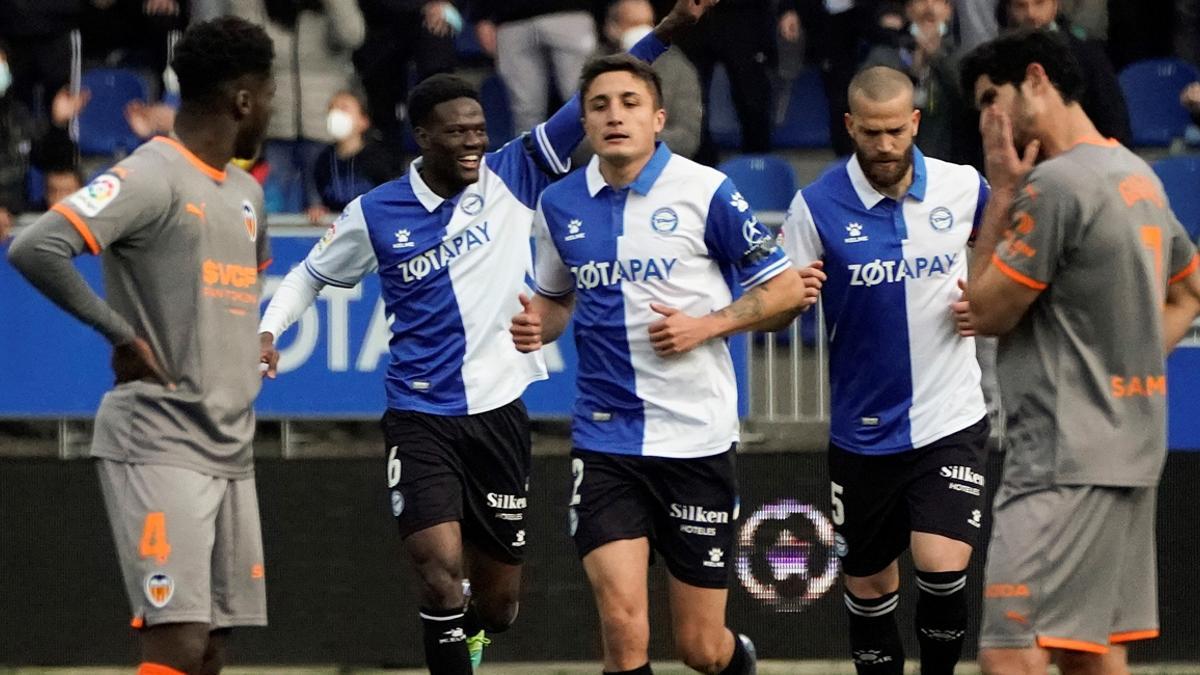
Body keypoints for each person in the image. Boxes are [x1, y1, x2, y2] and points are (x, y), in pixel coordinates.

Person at [257, 4, 716, 674]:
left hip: (500, 413)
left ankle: (467, 638)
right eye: (457, 133)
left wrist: (668, 29)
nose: (474, 142)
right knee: (439, 574)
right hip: (419, 413)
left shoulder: (515, 170)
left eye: (478, 129)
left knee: (496, 606)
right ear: (422, 137)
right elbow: (310, 274)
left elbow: (590, 90)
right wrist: (270, 330)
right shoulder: (376, 213)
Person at [511, 53, 820, 675]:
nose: (614, 116)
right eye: (599, 106)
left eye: (628, 104)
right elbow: (555, 300)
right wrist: (532, 326)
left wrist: (707, 325)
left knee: (701, 650)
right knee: (624, 630)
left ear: (658, 118)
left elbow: (787, 292)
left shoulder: (705, 191)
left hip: (696, 441)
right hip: (606, 441)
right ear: (586, 123)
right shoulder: (559, 205)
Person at [7, 16, 275, 675]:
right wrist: (119, 332)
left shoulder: (246, 194)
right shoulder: (151, 173)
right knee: (178, 640)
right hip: (159, 438)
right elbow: (36, 246)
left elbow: (230, 294)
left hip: (230, 445)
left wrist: (253, 343)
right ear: (244, 99)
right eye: (269, 92)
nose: (273, 107)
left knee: (210, 648)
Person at [958, 28, 1200, 674]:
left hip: (1060, 459)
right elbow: (1190, 290)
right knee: (1088, 653)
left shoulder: (1052, 186)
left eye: (991, 99)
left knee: (1009, 656)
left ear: (1036, 78)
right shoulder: (1138, 174)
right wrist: (1134, 360)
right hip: (1133, 447)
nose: (987, 119)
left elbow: (981, 311)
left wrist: (1002, 190)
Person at [779, 65, 989, 675]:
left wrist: (993, 298)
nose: (885, 144)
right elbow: (779, 310)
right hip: (862, 433)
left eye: (897, 130)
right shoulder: (813, 205)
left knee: (942, 565)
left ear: (915, 122)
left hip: (950, 416)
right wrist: (793, 299)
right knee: (869, 589)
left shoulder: (963, 187)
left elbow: (1011, 246)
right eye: (871, 132)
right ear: (850, 126)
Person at [864, 0, 982, 167]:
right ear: (908, 10)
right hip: (895, 162)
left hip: (953, 162)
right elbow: (869, 97)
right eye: (921, 0)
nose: (929, 7)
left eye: (938, 1)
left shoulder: (966, 56)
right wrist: (912, 71)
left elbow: (972, 101)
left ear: (949, 10)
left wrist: (937, 58)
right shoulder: (885, 54)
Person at [1002, 0, 1133, 146]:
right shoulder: (997, 60)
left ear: (1055, 4)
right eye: (1020, 6)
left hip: (1086, 156)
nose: (1030, 14)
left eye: (1039, 3)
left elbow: (1114, 123)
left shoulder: (1087, 54)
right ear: (1009, 10)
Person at [472, 0, 601, 135]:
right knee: (525, 111)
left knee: (583, 100)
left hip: (570, 13)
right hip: (511, 19)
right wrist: (482, 15)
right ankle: (530, 155)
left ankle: (599, 155)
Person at [603, 0, 703, 159]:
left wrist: (630, 140)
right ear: (612, 28)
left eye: (648, 23)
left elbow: (687, 138)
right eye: (634, 23)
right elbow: (579, 139)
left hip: (662, 169)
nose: (644, 30)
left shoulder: (678, 67)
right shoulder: (596, 66)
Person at [307, 90, 396, 225]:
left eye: (344, 108)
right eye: (332, 108)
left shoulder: (379, 158)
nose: (336, 114)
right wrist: (319, 210)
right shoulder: (324, 159)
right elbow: (321, 200)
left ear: (363, 121)